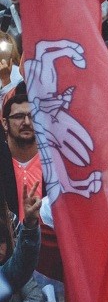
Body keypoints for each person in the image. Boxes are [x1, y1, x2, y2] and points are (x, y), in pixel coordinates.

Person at [1, 93, 41, 222]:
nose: (27, 122)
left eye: (32, 116)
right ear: (5, 123)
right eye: (19, 117)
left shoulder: (53, 165)